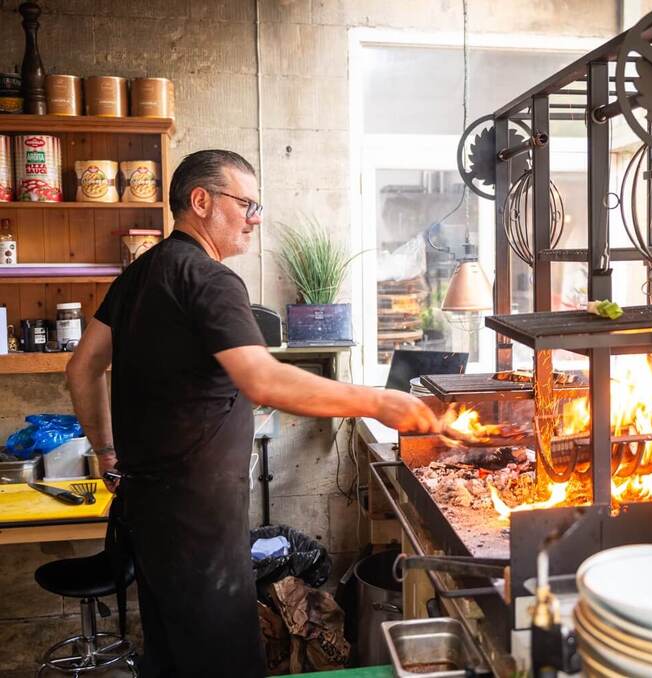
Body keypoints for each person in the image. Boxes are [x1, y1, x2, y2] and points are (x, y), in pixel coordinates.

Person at [66, 149, 440, 677]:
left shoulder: (141, 273)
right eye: (247, 204)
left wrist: (106, 450)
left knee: (171, 654)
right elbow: (263, 378)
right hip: (199, 520)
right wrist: (381, 400)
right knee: (223, 658)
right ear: (201, 201)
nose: (255, 218)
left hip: (147, 512)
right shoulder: (210, 279)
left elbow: (81, 369)